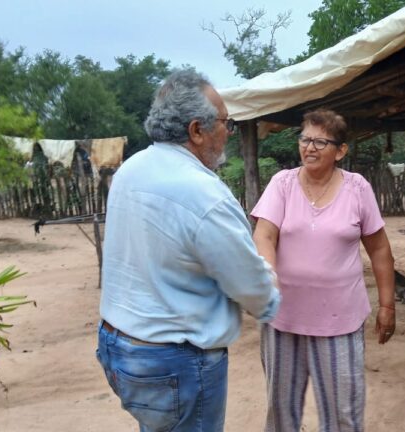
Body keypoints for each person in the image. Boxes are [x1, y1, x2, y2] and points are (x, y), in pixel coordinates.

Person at [96, 70, 281, 432]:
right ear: (197, 130)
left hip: (119, 347)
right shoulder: (202, 192)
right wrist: (271, 300)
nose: (229, 132)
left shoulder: (131, 169)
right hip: (173, 360)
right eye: (225, 123)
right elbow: (247, 282)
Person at [251, 109, 396, 432]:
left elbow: (380, 248)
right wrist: (269, 275)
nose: (310, 148)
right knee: (281, 410)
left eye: (320, 141)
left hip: (339, 321)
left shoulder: (357, 188)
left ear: (340, 151)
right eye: (305, 139)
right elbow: (265, 233)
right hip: (282, 317)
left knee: (343, 412)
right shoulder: (283, 183)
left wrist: (387, 305)